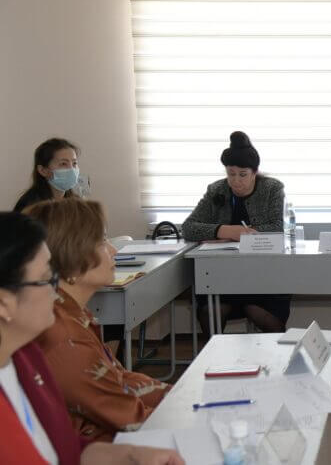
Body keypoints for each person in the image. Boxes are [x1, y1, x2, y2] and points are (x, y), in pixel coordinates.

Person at [0, 211, 184, 464]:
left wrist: (130, 455)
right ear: (3, 303)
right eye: (45, 280)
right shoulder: (58, 341)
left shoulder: (25, 355)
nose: (56, 291)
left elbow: (65, 447)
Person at [182, 131, 290, 334]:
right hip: (223, 275)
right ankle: (215, 353)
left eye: (243, 174)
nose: (236, 181)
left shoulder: (272, 189)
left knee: (266, 317)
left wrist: (241, 234)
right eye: (231, 174)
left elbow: (277, 228)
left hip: (264, 274)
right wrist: (225, 231)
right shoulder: (216, 190)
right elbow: (188, 228)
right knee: (211, 310)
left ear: (254, 172)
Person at [13, 138, 82, 213]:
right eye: (63, 164)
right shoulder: (30, 206)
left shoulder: (77, 203)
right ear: (43, 171)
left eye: (74, 163)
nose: (72, 169)